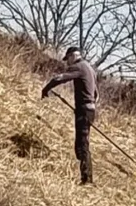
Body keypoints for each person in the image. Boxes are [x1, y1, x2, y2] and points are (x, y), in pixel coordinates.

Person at [41, 47, 98, 185]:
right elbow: (96, 93)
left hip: (84, 110)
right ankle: (86, 177)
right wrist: (89, 104)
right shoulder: (90, 68)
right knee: (81, 144)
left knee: (82, 144)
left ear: (73, 56)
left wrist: (46, 88)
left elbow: (59, 78)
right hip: (89, 109)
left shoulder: (78, 67)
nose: (68, 63)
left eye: (68, 59)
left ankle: (87, 180)